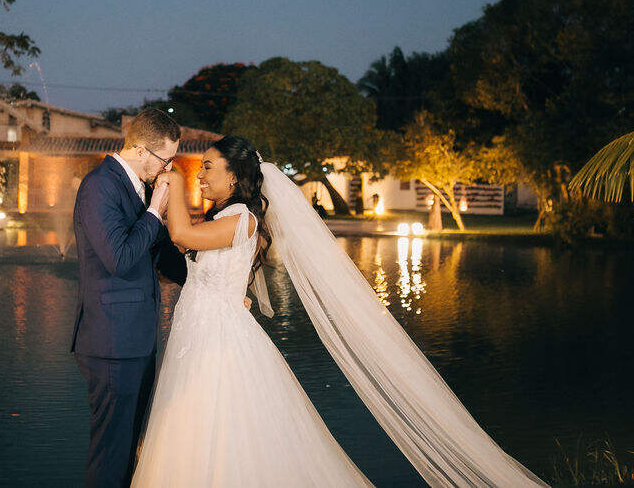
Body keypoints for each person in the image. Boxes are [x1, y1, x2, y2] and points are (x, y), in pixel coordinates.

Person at [132, 136, 548, 487]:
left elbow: (182, 235)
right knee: (194, 426)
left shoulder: (242, 218)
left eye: (207, 166)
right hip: (203, 331)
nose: (199, 173)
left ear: (235, 176)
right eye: (198, 168)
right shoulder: (224, 215)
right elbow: (199, 263)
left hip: (217, 340)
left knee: (218, 420)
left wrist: (172, 179)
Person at [70, 108, 187, 488]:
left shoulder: (142, 187)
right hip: (110, 344)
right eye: (166, 158)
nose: (169, 167)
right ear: (141, 150)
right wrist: (155, 211)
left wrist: (216, 281)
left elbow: (165, 258)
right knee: (110, 455)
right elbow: (119, 259)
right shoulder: (99, 186)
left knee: (133, 452)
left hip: (137, 342)